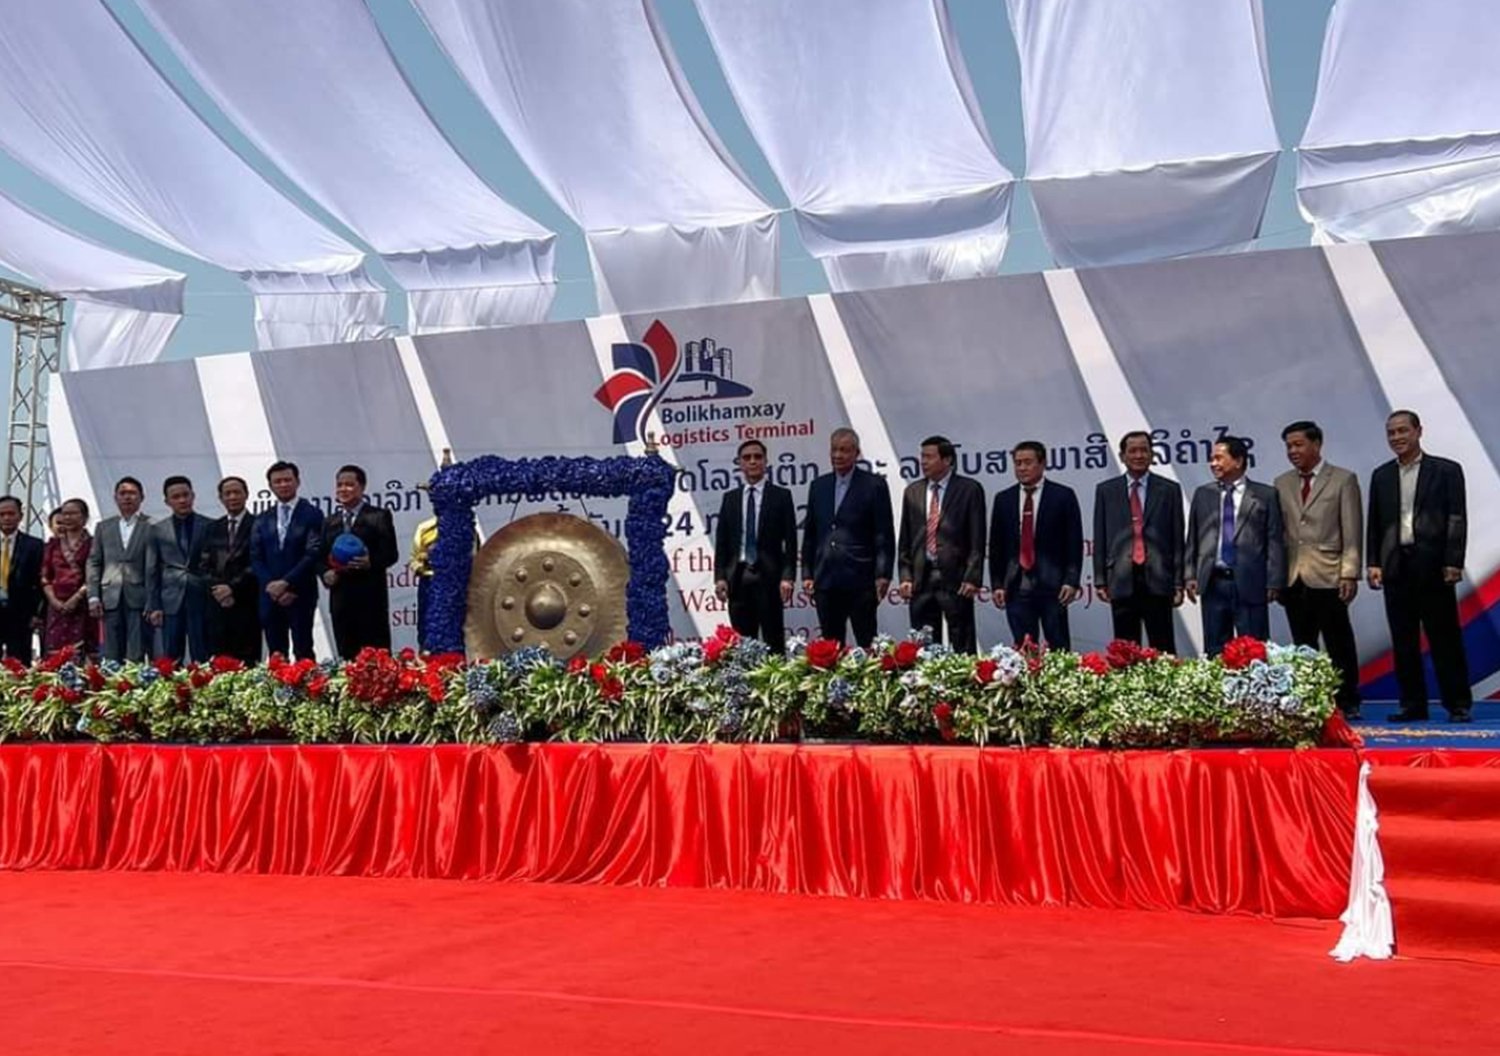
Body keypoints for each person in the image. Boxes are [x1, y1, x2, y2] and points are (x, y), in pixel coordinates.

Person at [1367, 410, 1471, 723]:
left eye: (1403, 431)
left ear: (1418, 431)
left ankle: (1457, 704)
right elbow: (1375, 523)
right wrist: (1373, 562)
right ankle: (1412, 705)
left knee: (1444, 638)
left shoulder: (1446, 470)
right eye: (1391, 433)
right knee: (1403, 641)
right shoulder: (1381, 475)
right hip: (1395, 568)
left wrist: (1453, 560)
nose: (1397, 437)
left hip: (1434, 567)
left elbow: (1457, 518)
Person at [1275, 421, 1363, 719]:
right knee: (1303, 645)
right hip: (1293, 576)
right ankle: (1312, 701)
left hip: (1329, 574)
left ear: (1317, 444)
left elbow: (1352, 529)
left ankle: (1348, 700)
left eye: (1298, 444)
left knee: (1339, 642)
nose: (1292, 451)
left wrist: (1349, 572)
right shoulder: (1281, 483)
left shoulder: (1342, 479)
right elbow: (1279, 534)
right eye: (1289, 446)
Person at [1185, 437, 1285, 657]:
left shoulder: (1265, 495)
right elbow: (1193, 536)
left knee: (1254, 650)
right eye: (1211, 459)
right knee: (1215, 651)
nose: (1213, 463)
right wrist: (1190, 574)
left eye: (1219, 458)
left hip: (1251, 583)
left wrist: (1274, 580)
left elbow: (1274, 540)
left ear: (1238, 461)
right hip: (1213, 582)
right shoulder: (1203, 494)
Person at [801, 427, 894, 647]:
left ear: (856, 453)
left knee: (866, 643)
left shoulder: (874, 485)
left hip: (861, 579)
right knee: (831, 646)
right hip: (826, 580)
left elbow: (884, 533)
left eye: (844, 450)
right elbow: (811, 533)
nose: (837, 455)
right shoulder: (819, 486)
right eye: (834, 450)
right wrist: (807, 573)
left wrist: (883, 574)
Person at [1092, 431, 1185, 653]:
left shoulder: (1169, 489)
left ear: (1152, 454)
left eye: (1144, 450)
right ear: (1122, 456)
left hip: (1158, 579)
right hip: (1121, 579)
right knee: (1125, 650)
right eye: (1132, 451)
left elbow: (1177, 538)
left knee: (1163, 649)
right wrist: (1100, 580)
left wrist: (1178, 582)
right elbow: (1100, 536)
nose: (1139, 455)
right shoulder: (1106, 491)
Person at [896, 435, 985, 652]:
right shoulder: (913, 491)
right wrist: (905, 575)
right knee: (924, 645)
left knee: (962, 642)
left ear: (947, 460)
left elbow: (977, 537)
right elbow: (905, 537)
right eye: (922, 456)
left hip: (956, 578)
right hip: (921, 579)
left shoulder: (969, 489)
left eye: (929, 457)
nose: (923, 462)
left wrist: (972, 576)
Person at [990, 441, 1082, 650]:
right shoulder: (1003, 499)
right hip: (1016, 586)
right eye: (1018, 463)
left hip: (1053, 586)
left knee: (1058, 648)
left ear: (1042, 463)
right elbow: (996, 546)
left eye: (1028, 462)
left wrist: (1071, 580)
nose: (1022, 468)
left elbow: (1074, 543)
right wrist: (997, 584)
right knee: (1024, 649)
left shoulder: (1063, 495)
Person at [714, 439, 798, 654]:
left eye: (757, 457)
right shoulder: (730, 499)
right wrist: (720, 577)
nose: (753, 461)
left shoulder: (781, 496)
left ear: (765, 462)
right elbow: (722, 542)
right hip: (738, 578)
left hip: (769, 578)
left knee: (773, 641)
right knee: (742, 645)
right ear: (740, 463)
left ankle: (775, 676)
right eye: (747, 458)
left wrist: (788, 577)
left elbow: (791, 541)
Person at [320, 465, 398, 659]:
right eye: (339, 485)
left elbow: (390, 554)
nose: (343, 489)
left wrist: (370, 562)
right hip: (340, 599)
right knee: (346, 656)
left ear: (362, 487)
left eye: (349, 484)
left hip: (370, 598)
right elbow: (320, 556)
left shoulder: (379, 516)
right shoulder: (329, 522)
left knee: (376, 657)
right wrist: (325, 573)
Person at [250, 460, 323, 661]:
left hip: (300, 593)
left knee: (303, 650)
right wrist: (272, 586)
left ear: (297, 482)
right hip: (270, 596)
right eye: (278, 481)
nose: (283, 485)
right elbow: (256, 557)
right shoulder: (262, 518)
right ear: (270, 486)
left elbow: (312, 553)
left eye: (287, 480)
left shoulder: (312, 514)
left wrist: (287, 583)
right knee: (276, 654)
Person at [191, 476, 260, 664]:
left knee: (247, 665)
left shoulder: (258, 525)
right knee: (219, 664)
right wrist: (219, 590)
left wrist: (232, 589)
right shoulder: (212, 528)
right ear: (220, 498)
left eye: (237, 492)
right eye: (227, 493)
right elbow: (202, 565)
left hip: (246, 603)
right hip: (217, 606)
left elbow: (257, 563)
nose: (232, 497)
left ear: (246, 495)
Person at [145, 475, 213, 663]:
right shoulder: (157, 530)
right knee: (171, 655)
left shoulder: (210, 525)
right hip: (170, 599)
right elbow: (152, 570)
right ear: (167, 501)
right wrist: (154, 605)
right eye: (176, 497)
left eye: (185, 495)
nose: (182, 500)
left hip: (201, 597)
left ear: (193, 496)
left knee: (202, 653)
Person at [86, 476, 154, 662]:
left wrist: (153, 600)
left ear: (142, 497)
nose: (127, 497)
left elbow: (155, 566)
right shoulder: (103, 527)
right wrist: (93, 596)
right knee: (111, 650)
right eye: (123, 493)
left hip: (139, 596)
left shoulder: (152, 525)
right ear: (115, 497)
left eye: (132, 493)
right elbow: (94, 562)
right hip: (110, 596)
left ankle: (133, 679)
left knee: (136, 650)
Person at [41, 498, 97, 658]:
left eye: (73, 513)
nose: (68, 517)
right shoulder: (53, 545)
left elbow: (94, 574)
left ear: (84, 517)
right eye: (65, 514)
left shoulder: (93, 544)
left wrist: (76, 597)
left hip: (83, 603)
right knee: (55, 653)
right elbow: (45, 576)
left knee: (82, 652)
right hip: (57, 605)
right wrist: (53, 600)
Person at [0, 495, 45, 664]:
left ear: (20, 516)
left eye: (11, 513)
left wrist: (37, 613)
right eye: (2, 514)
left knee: (19, 664)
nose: (6, 518)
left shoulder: (34, 545)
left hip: (20, 614)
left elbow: (40, 582)